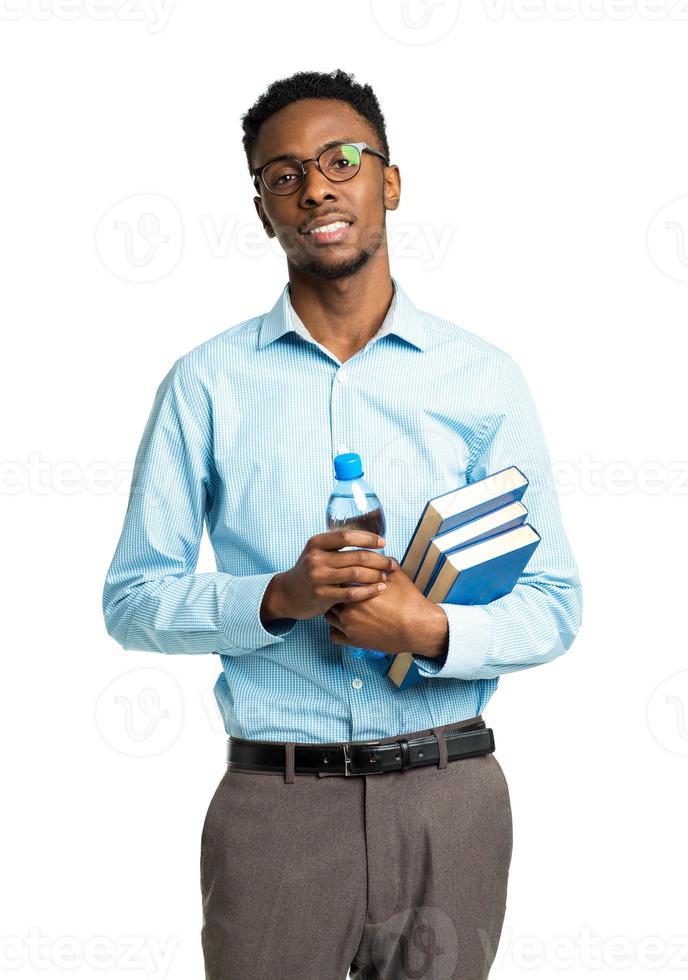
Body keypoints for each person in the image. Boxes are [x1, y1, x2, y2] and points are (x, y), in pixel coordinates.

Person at [102, 68, 583, 980]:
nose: (315, 187)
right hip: (278, 808)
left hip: (453, 801)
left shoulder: (482, 378)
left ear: (389, 183)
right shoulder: (205, 384)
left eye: (340, 160)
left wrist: (429, 628)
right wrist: (276, 597)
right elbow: (132, 599)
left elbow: (555, 602)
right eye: (283, 175)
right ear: (262, 211)